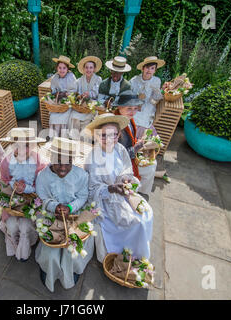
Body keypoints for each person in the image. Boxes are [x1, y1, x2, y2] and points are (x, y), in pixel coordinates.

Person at [84, 113, 154, 263]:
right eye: (104, 136)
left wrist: (126, 179)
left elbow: (127, 169)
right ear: (96, 136)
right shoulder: (94, 158)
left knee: (147, 214)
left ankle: (138, 251)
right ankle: (124, 250)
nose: (109, 140)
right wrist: (112, 189)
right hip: (106, 201)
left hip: (124, 192)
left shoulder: (120, 149)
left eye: (114, 135)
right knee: (135, 222)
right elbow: (92, 190)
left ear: (119, 135)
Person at [35, 137, 93, 292]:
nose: (63, 168)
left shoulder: (81, 175)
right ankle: (48, 268)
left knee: (71, 249)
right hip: (50, 215)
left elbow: (82, 197)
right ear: (51, 158)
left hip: (74, 215)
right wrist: (54, 207)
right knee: (52, 249)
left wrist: (70, 207)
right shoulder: (42, 176)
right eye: (58, 162)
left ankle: (71, 271)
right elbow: (43, 198)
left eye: (68, 163)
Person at [0, 128, 48, 262]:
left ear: (32, 145)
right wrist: (13, 184)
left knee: (25, 226)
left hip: (33, 199)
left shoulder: (39, 162)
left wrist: (26, 188)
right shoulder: (6, 162)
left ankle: (25, 248)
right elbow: (4, 180)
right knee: (13, 225)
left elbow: (42, 186)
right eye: (17, 145)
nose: (21, 149)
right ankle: (14, 240)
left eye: (26, 145)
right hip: (13, 198)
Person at [114, 93, 158, 199]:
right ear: (119, 107)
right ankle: (141, 192)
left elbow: (129, 141)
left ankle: (141, 190)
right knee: (150, 167)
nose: (133, 112)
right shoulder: (117, 125)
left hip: (128, 152)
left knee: (152, 162)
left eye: (135, 108)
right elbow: (118, 154)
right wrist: (137, 147)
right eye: (129, 108)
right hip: (118, 163)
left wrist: (138, 142)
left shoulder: (128, 119)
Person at [69, 56, 102, 139]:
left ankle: (84, 137)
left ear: (94, 69)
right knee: (74, 115)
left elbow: (96, 92)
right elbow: (75, 91)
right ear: (83, 69)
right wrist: (78, 96)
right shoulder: (80, 80)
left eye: (91, 67)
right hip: (81, 105)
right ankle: (74, 137)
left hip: (92, 105)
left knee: (88, 118)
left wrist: (89, 94)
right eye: (86, 67)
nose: (88, 70)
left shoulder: (98, 79)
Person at [129, 56, 165, 131]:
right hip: (134, 104)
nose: (149, 71)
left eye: (152, 68)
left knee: (143, 120)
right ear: (143, 68)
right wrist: (137, 98)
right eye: (147, 68)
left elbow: (155, 98)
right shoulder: (134, 80)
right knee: (130, 118)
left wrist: (160, 91)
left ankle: (138, 135)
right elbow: (128, 95)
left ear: (155, 70)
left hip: (148, 104)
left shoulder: (156, 81)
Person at [49, 56, 77, 138]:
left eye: (64, 68)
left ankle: (64, 136)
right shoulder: (55, 78)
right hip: (58, 101)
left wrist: (65, 94)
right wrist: (56, 94)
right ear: (56, 68)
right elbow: (53, 90)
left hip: (68, 102)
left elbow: (74, 91)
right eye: (60, 68)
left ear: (67, 69)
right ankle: (55, 136)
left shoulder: (71, 77)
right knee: (53, 116)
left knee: (64, 117)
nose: (62, 70)